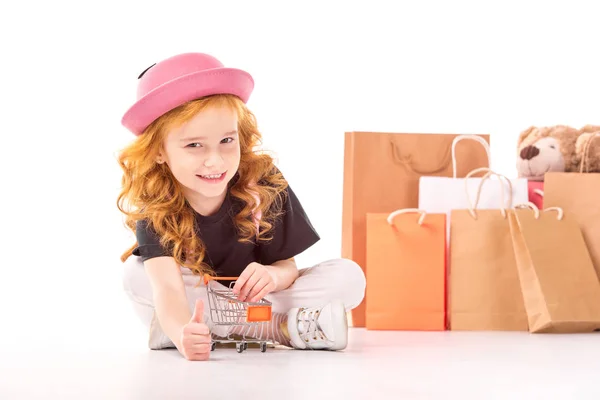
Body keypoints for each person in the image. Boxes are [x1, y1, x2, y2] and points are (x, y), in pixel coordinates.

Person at [116, 52, 366, 361]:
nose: (215, 160)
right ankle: (278, 328)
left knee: (348, 277)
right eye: (194, 145)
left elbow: (286, 266)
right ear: (159, 152)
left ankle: (213, 327)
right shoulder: (156, 205)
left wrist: (272, 276)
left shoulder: (261, 182)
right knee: (136, 276)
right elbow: (167, 289)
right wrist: (183, 333)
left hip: (261, 298)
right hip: (192, 299)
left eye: (226, 141)